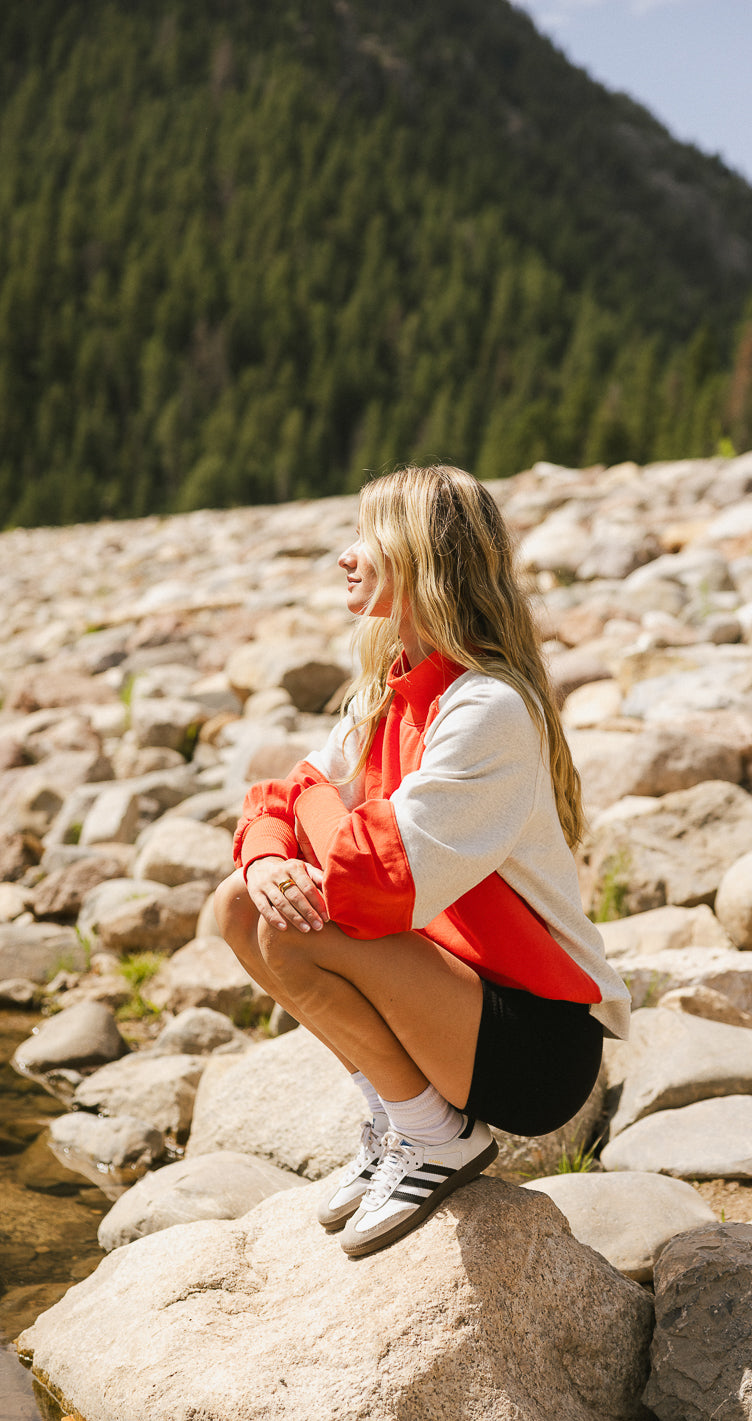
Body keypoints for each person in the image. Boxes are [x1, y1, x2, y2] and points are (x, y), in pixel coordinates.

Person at [214, 464, 631, 1258]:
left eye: (368, 536)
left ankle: (436, 1136)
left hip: (535, 1037)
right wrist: (271, 857)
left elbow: (369, 876)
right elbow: (278, 794)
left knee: (294, 932)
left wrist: (306, 798)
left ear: (421, 558)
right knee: (241, 903)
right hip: (449, 988)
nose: (347, 554)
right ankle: (401, 1120)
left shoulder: (486, 708)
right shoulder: (388, 692)